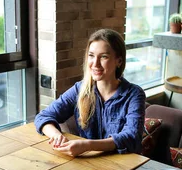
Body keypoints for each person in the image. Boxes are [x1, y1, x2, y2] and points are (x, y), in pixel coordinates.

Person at [35, 28, 146, 157]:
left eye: (104, 56)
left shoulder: (134, 94)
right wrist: (56, 136)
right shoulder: (80, 89)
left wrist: (87, 145)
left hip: (123, 166)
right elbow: (43, 116)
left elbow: (131, 137)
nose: (95, 64)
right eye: (91, 55)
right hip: (87, 162)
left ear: (119, 61)